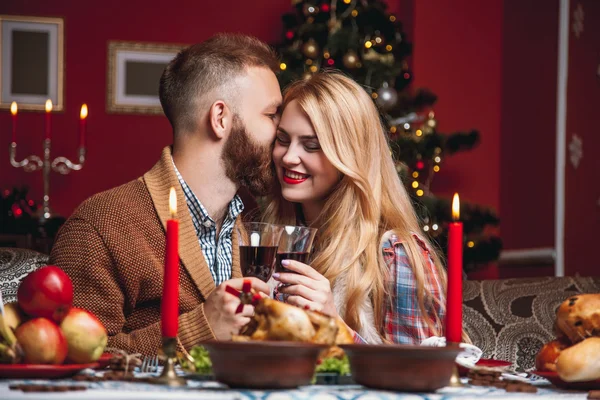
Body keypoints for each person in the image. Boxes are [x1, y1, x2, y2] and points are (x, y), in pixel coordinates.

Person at [50, 33, 282, 355]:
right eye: (271, 115)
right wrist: (203, 327)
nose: (281, 133)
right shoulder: (100, 226)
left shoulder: (252, 224)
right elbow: (74, 361)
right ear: (220, 118)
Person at [264, 72, 449, 344]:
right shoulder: (271, 241)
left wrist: (334, 328)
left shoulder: (395, 256)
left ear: (350, 156)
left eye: (312, 145)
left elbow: (417, 375)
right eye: (282, 140)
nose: (289, 157)